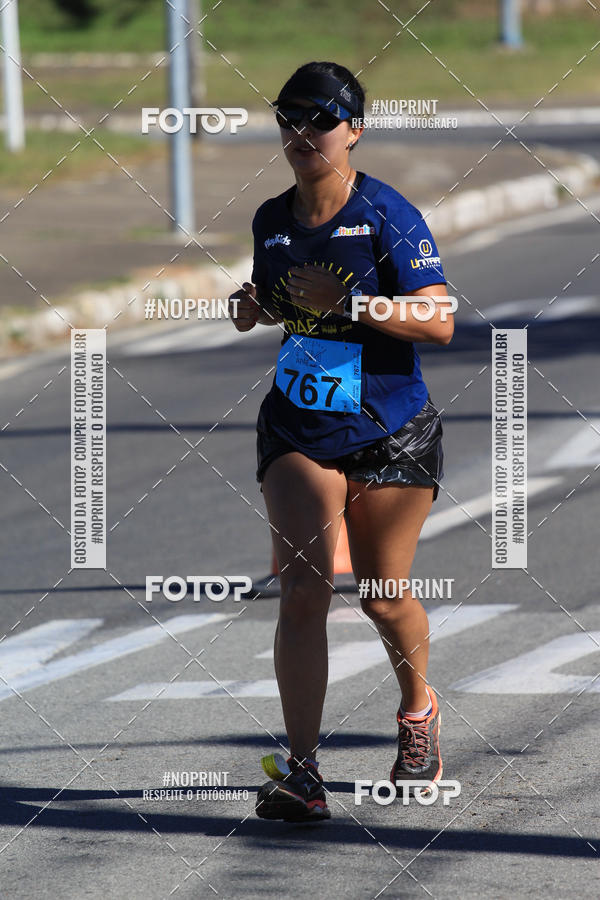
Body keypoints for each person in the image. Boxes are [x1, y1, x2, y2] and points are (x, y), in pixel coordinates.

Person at [228, 61, 453, 823]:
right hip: (299, 426)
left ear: (353, 130)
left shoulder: (387, 214)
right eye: (288, 118)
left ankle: (418, 710)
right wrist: (252, 305)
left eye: (318, 120)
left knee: (385, 599)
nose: (301, 134)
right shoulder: (270, 218)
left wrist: (354, 301)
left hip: (391, 431)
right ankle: (303, 771)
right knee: (303, 591)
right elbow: (272, 298)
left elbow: (442, 319)